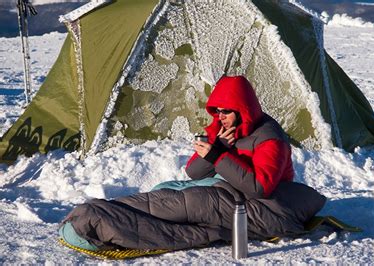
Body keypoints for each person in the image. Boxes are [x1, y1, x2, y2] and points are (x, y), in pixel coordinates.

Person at [59, 76, 326, 251]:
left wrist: (219, 157)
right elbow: (193, 172)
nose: (220, 116)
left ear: (242, 110)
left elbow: (260, 188)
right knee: (165, 190)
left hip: (264, 206)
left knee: (184, 204)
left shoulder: (270, 139)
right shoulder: (222, 129)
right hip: (226, 188)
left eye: (226, 111)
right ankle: (96, 214)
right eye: (217, 110)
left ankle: (94, 221)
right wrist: (217, 148)